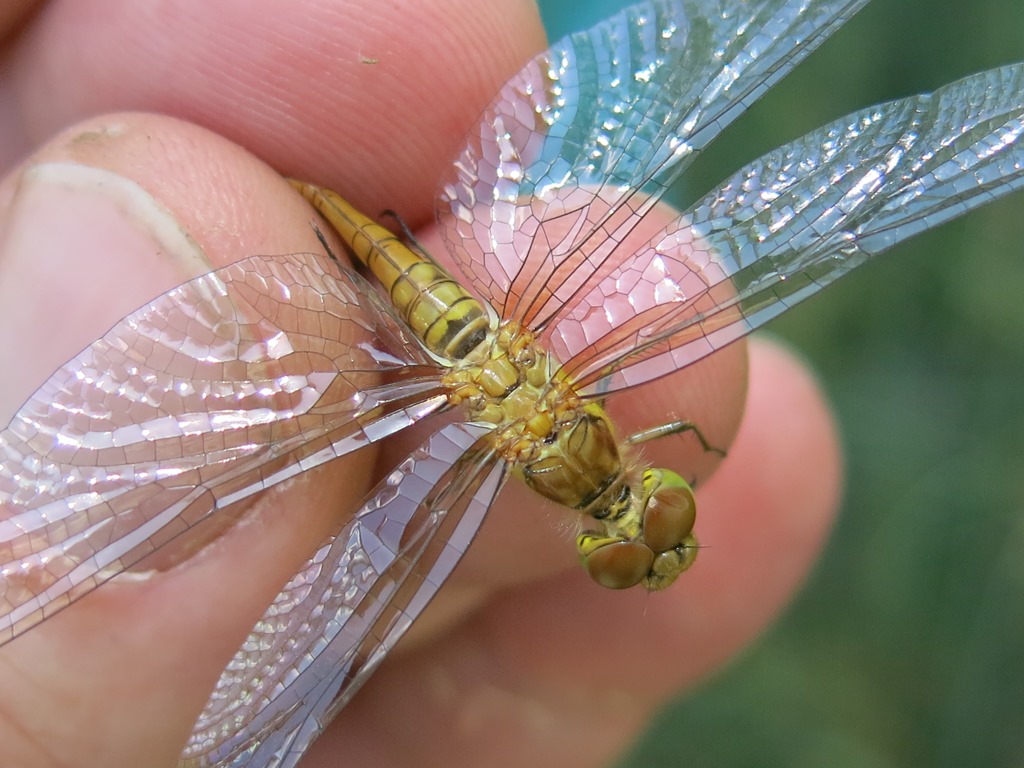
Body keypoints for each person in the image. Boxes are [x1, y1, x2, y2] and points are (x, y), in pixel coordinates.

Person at [0, 1, 841, 765]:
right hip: (434, 313)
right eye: (656, 513)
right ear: (644, 476)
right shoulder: (542, 465)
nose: (638, 517)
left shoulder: (585, 426)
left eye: (631, 540)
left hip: (459, 324)